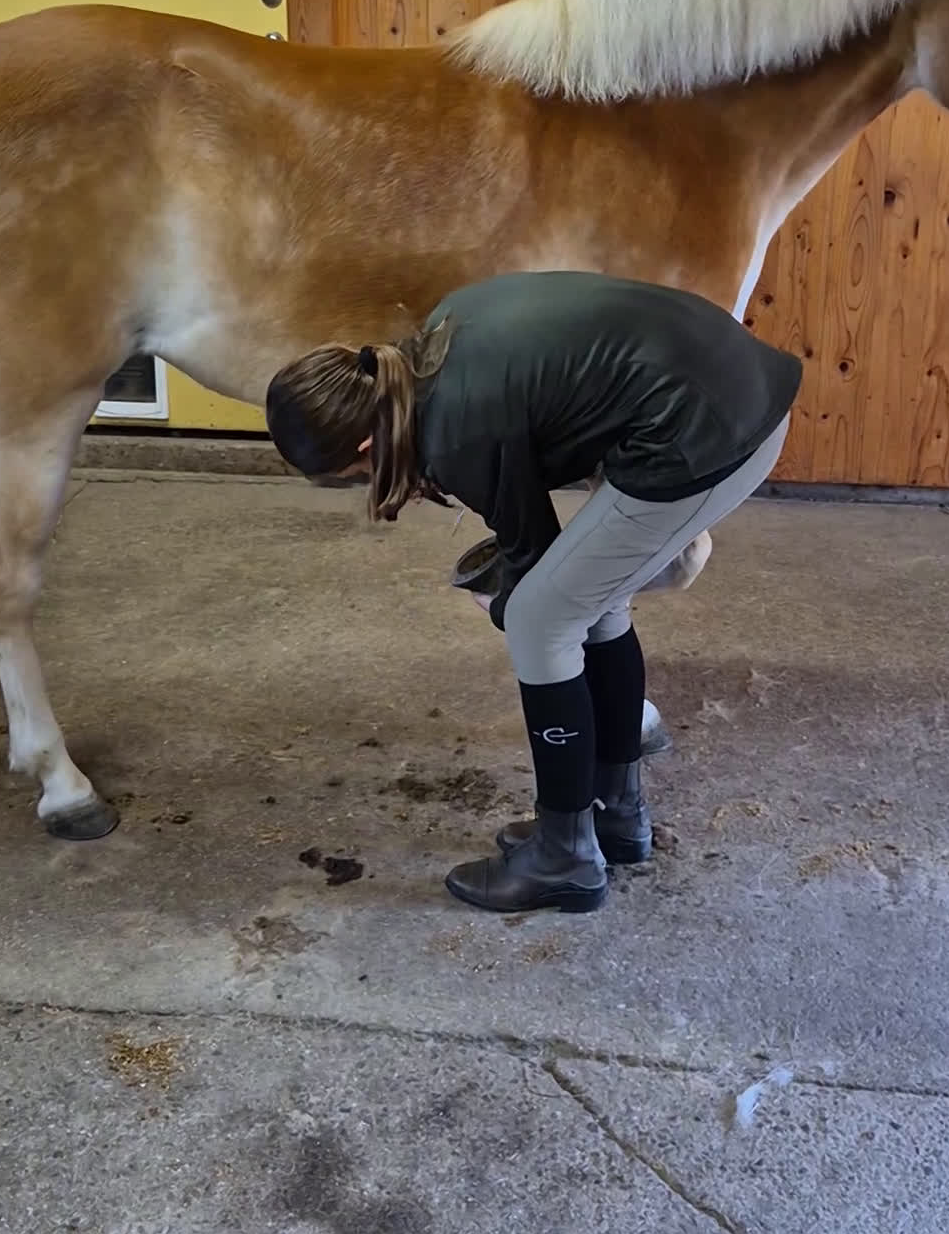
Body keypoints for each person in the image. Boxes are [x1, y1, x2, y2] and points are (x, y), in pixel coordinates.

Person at [265, 273, 801, 915]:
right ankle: (615, 816)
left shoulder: (456, 431)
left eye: (353, 475)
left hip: (711, 433)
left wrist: (504, 603)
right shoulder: (433, 343)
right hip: (728, 388)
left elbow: (531, 557)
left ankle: (566, 855)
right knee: (585, 602)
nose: (365, 482)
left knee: (540, 620)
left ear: (365, 444)